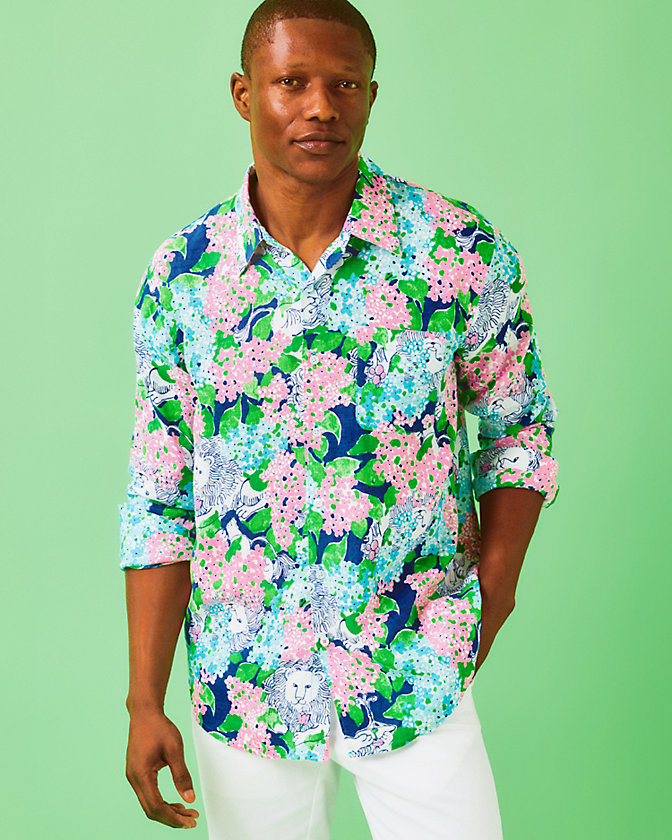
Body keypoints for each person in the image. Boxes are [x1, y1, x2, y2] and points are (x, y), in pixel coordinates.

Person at [119, 1, 559, 837]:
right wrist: (144, 698)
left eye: (344, 84)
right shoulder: (184, 276)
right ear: (245, 94)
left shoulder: (456, 250)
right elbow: (159, 494)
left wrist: (489, 602)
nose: (320, 106)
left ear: (371, 95)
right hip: (245, 682)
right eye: (292, 82)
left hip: (415, 663)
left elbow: (518, 435)